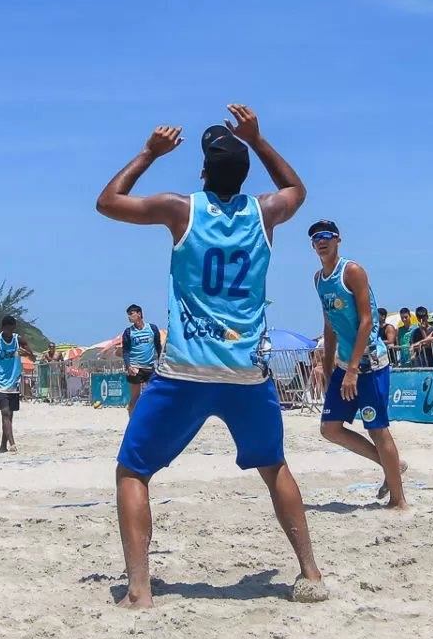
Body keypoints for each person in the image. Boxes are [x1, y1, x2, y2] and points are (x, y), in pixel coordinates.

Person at [94, 106, 325, 609]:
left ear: (202, 171)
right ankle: (310, 571)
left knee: (133, 471)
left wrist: (149, 153)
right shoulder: (264, 212)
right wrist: (260, 140)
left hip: (185, 371)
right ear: (245, 176)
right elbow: (297, 192)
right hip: (245, 371)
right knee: (274, 466)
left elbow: (108, 203)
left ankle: (139, 590)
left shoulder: (182, 209)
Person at [309, 220, 407, 509]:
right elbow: (329, 325)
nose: (321, 241)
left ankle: (399, 501)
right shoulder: (318, 279)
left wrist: (352, 370)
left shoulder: (352, 271)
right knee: (330, 428)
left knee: (376, 429)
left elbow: (367, 320)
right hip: (344, 363)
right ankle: (392, 467)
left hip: (369, 363)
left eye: (326, 236)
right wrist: (329, 370)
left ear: (338, 240)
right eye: (316, 238)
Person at [0, 317, 36, 451]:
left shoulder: (19, 340)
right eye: (9, 329)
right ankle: (13, 444)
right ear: (3, 328)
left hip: (14, 382)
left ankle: (3, 446)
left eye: (13, 329)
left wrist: (27, 353)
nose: (11, 332)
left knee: (9, 415)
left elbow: (33, 358)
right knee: (5, 412)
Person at [118, 305, 163, 411]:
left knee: (152, 396)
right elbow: (126, 351)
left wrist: (161, 363)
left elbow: (158, 347)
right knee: (135, 399)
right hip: (135, 367)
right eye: (128, 315)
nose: (129, 317)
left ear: (139, 314)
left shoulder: (152, 329)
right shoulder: (129, 332)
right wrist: (128, 366)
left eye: (131, 314)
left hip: (150, 367)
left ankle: (149, 422)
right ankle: (132, 425)